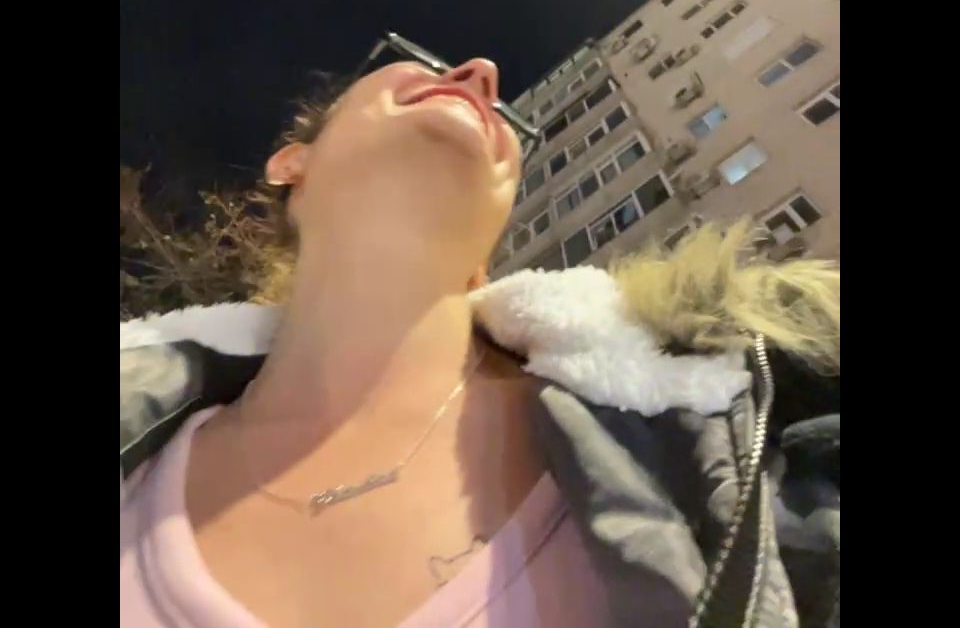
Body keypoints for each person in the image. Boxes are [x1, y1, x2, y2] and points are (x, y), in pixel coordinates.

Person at [120, 38, 840, 628]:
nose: (481, 75)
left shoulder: (732, 429)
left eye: (504, 114)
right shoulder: (140, 452)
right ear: (291, 163)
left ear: (486, 256)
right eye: (416, 63)